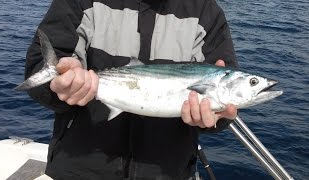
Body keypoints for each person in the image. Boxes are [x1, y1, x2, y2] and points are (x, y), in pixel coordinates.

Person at [24, 0, 238, 179]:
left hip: (168, 173)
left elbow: (225, 105)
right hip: (78, 169)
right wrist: (59, 88)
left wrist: (215, 119)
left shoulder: (205, 12)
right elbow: (39, 70)